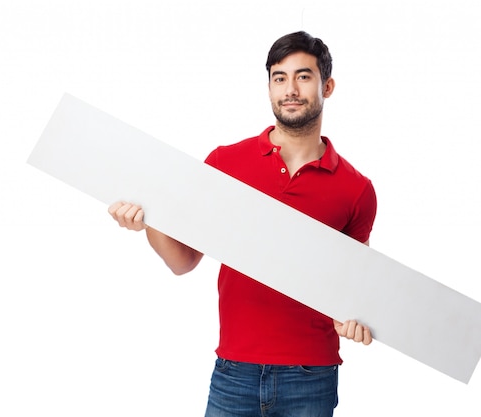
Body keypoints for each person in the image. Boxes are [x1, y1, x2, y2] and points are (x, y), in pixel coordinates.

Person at [109, 31, 377, 416]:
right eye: (279, 77)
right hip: (233, 373)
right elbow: (183, 261)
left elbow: (356, 290)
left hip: (312, 376)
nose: (290, 89)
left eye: (303, 76)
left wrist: (356, 320)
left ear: (327, 86)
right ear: (269, 86)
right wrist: (150, 220)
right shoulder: (224, 164)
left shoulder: (356, 190)